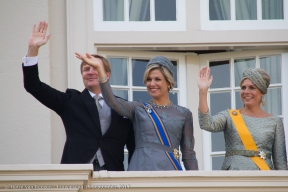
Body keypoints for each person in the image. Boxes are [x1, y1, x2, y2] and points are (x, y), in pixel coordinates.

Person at [22, 21, 135, 171]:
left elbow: (134, 148)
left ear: (106, 74)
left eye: (95, 68)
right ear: (82, 75)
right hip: (75, 174)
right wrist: (32, 50)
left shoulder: (124, 108)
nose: (90, 72)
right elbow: (33, 86)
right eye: (86, 69)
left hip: (114, 175)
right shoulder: (70, 101)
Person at [75, 52, 198, 171]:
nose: (152, 83)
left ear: (169, 82)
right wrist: (100, 71)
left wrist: (196, 184)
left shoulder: (183, 113)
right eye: (148, 79)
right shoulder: (138, 108)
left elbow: (189, 155)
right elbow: (112, 102)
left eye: (157, 79)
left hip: (171, 170)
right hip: (141, 171)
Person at [198, 66, 287, 170]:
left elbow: (281, 163)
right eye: (243, 87)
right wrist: (202, 92)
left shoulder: (275, 121)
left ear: (262, 91)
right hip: (234, 177)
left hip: (263, 179)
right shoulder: (230, 116)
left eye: (252, 88)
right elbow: (206, 124)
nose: (246, 91)